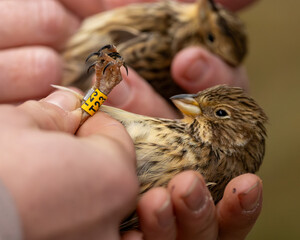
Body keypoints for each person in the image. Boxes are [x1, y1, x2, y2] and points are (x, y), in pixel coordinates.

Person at [0, 0, 262, 239]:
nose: (190, 102)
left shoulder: (207, 177)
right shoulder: (184, 143)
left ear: (240, 137)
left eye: (218, 113)